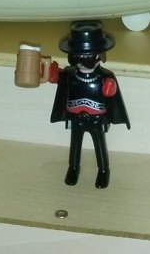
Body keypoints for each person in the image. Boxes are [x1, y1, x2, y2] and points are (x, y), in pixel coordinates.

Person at [50, 20, 130, 189]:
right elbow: (58, 79)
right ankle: (73, 168)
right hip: (76, 117)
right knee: (75, 145)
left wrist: (110, 90)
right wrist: (50, 74)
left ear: (100, 56)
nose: (84, 60)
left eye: (89, 56)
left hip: (96, 119)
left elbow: (112, 96)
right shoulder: (70, 75)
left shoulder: (104, 78)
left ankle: (103, 170)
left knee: (99, 145)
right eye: (79, 56)